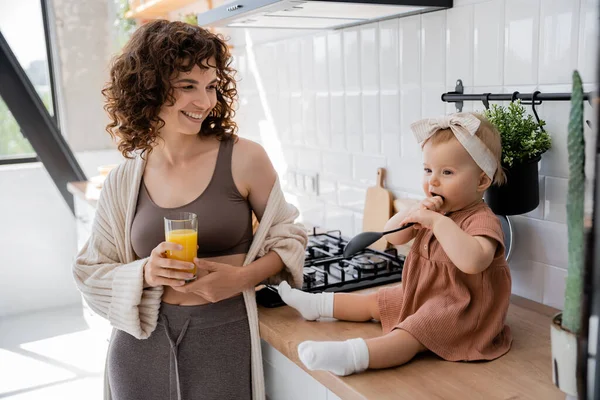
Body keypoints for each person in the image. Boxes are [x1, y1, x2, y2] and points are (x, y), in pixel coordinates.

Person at [73, 19, 307, 400]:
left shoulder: (244, 158)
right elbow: (89, 271)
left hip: (224, 334)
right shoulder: (125, 178)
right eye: (187, 86)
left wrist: (242, 278)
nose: (205, 101)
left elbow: (290, 235)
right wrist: (145, 272)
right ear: (149, 88)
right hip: (141, 342)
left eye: (212, 86)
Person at [278, 112, 512, 376]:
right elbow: (392, 235)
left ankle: (353, 356)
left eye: (447, 172)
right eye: (428, 170)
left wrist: (436, 223)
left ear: (481, 181)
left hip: (462, 311)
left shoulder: (481, 219)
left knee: (411, 333)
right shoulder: (433, 211)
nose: (433, 181)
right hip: (425, 295)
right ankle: (316, 305)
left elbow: (473, 261)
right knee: (377, 301)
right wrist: (411, 214)